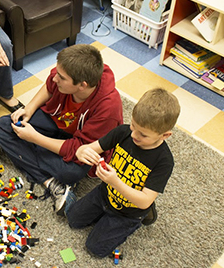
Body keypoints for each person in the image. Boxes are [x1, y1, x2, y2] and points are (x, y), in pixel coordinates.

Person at [0, 44, 123, 214]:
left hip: (82, 144)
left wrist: (35, 138)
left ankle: (25, 157)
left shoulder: (108, 108)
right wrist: (29, 108)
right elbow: (49, 85)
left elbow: (80, 149)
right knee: (2, 125)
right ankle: (50, 180)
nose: (55, 79)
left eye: (61, 78)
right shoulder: (70, 69)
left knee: (70, 173)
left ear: (82, 85)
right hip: (56, 119)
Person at [66, 88, 181, 258]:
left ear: (165, 135)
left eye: (143, 134)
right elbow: (91, 148)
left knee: (95, 249)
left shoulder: (164, 161)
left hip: (129, 212)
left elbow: (143, 201)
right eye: (133, 125)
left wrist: (115, 182)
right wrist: (82, 151)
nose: (133, 134)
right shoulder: (124, 132)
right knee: (72, 219)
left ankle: (143, 219)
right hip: (104, 194)